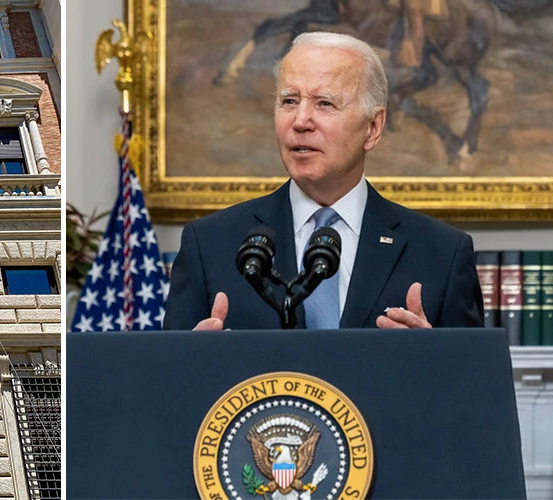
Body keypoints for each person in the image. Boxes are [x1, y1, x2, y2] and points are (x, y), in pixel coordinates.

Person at [163, 31, 483, 331]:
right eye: (289, 101)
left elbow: (474, 386)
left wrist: (437, 357)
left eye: (324, 103)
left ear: (372, 127)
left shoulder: (442, 254)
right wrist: (197, 363)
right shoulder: (209, 245)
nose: (300, 121)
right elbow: (168, 383)